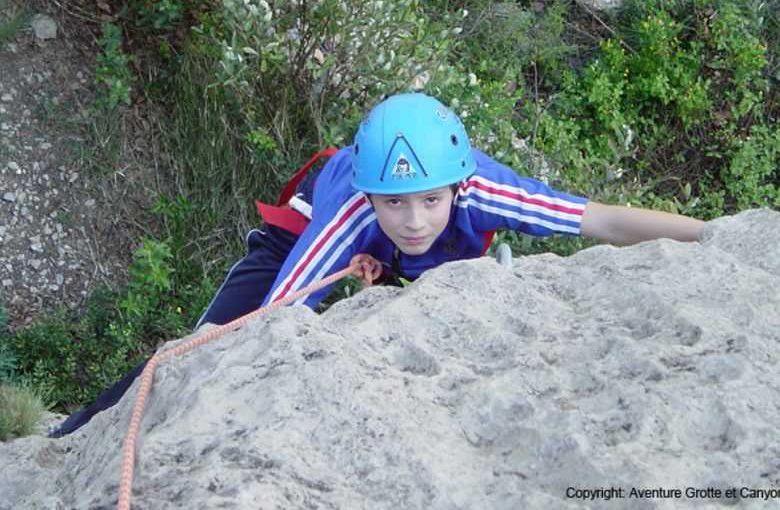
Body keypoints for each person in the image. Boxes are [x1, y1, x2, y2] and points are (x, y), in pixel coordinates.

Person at [51, 92, 703, 437]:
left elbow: (606, 221)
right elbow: (269, 325)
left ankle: (446, 274)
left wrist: (716, 233)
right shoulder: (354, 212)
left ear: (457, 186)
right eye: (396, 203)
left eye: (429, 200)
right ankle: (85, 426)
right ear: (371, 195)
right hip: (303, 236)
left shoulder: (480, 188)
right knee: (200, 346)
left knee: (436, 263)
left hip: (405, 260)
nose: (414, 218)